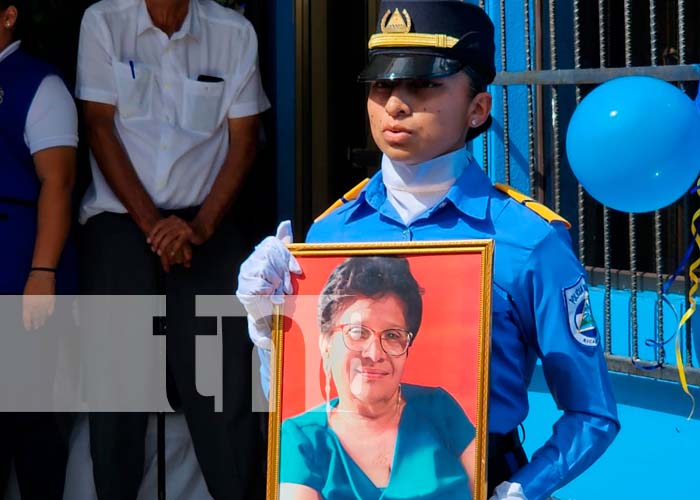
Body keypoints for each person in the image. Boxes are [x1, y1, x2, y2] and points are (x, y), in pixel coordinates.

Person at [236, 1, 620, 500]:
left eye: (423, 85)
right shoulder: (331, 234)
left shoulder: (531, 240)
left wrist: (521, 490)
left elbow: (592, 413)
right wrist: (267, 332)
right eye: (381, 86)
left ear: (477, 108)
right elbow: (306, 399)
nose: (395, 104)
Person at [75, 0, 270, 498]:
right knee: (118, 389)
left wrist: (199, 227)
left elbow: (244, 140)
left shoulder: (234, 32)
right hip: (120, 220)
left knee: (224, 387)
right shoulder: (104, 21)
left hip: (206, 222)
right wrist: (154, 225)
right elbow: (98, 127)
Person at [281, 256, 475, 500]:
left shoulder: (439, 408)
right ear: (325, 343)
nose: (375, 354)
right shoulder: (302, 439)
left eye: (393, 335)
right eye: (358, 332)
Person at [0, 0, 78, 498]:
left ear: (8, 16)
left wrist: (42, 272)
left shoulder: (39, 83)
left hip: (19, 274)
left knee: (26, 417)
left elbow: (59, 182)